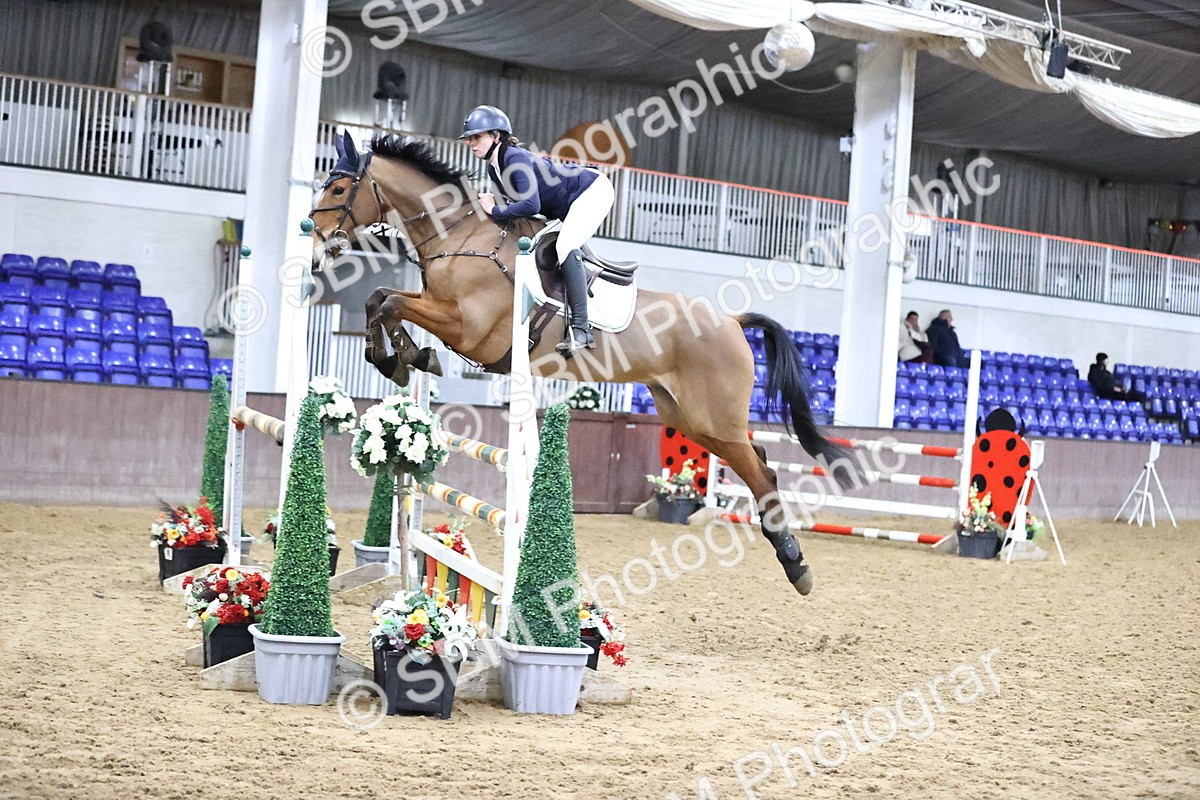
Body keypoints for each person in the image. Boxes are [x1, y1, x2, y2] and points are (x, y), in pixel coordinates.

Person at [460, 105, 615, 357]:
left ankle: (582, 329)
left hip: (592, 192)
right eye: (469, 138)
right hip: (564, 205)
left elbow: (531, 204)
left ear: (496, 136)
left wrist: (494, 210)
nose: (470, 142)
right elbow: (519, 206)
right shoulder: (494, 166)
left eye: (477, 137)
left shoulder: (513, 158)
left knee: (565, 246)